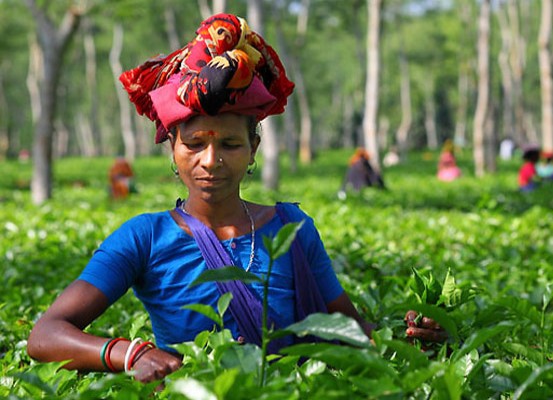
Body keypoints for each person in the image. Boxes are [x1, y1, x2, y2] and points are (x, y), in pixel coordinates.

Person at [27, 13, 382, 384]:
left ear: (252, 149)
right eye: (195, 144)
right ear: (172, 146)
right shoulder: (144, 237)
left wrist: (420, 337)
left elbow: (354, 333)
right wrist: (131, 354)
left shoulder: (292, 230)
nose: (211, 161)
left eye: (230, 144)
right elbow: (45, 335)